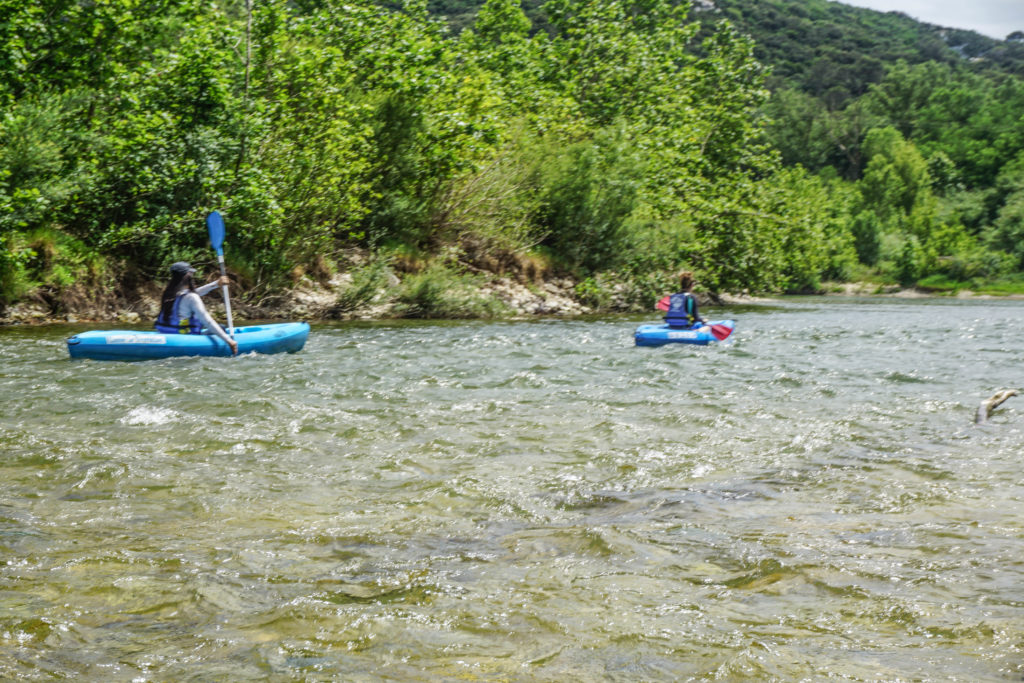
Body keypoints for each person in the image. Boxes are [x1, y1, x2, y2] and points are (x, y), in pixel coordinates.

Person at [155, 261, 238, 355]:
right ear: (187, 276)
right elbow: (207, 321)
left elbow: (193, 294)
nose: (192, 275)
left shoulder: (169, 294)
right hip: (186, 339)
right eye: (191, 273)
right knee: (222, 327)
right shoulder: (191, 297)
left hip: (167, 335)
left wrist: (216, 284)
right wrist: (229, 341)